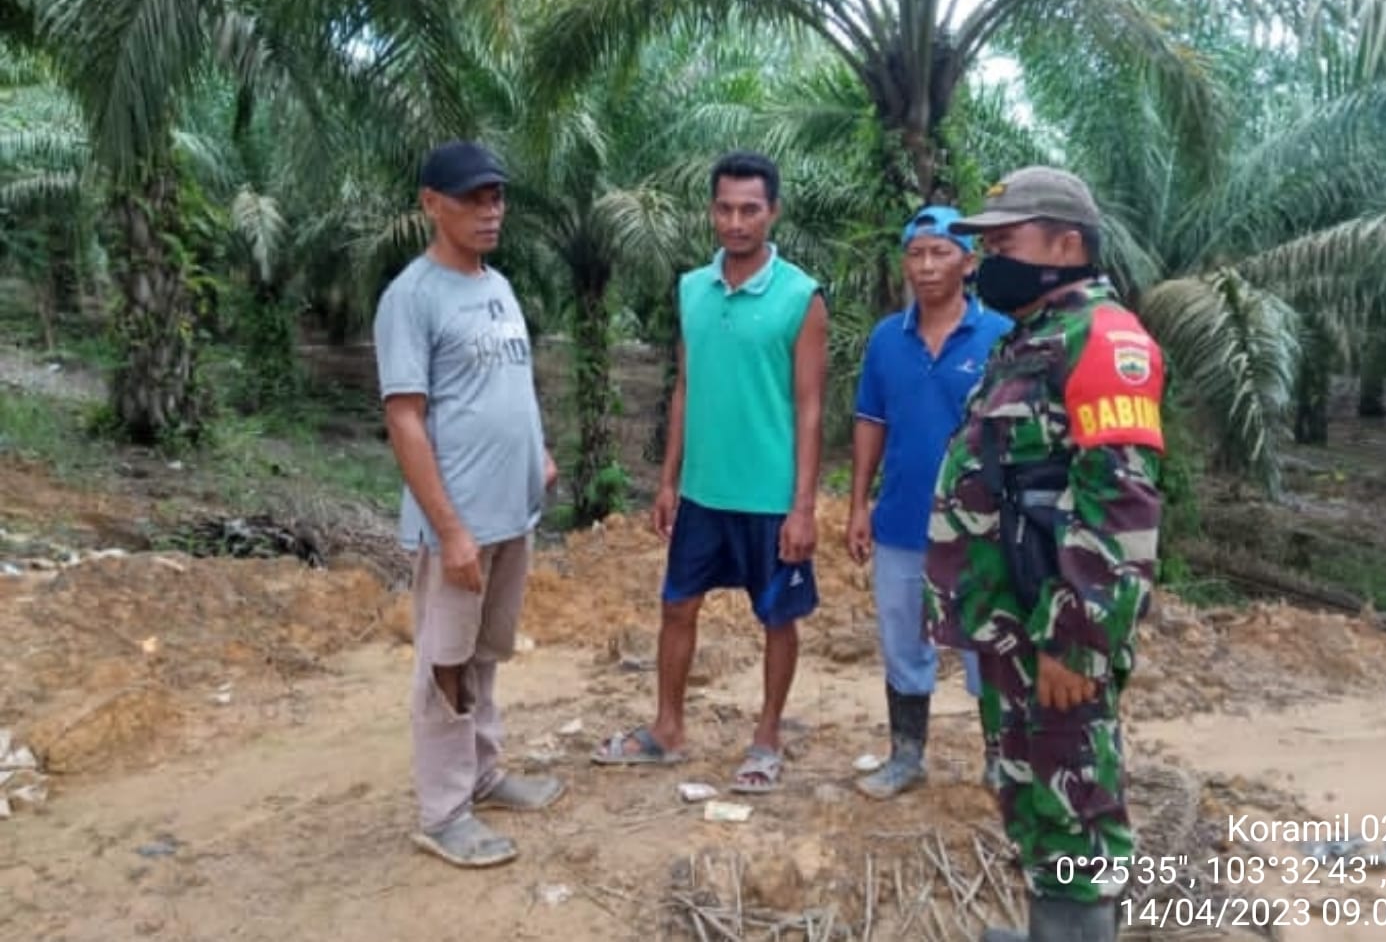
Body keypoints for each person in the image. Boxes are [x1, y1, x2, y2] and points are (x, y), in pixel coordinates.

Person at [922, 167, 1165, 942]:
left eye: (1003, 240)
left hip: (1055, 631)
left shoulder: (1103, 338)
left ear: (1066, 244)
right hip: (1014, 624)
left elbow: (1120, 506)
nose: (985, 257)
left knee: (1073, 803)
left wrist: (1075, 639)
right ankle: (1048, 931)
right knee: (1029, 783)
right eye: (983, 242)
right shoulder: (1033, 335)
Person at [592, 150, 827, 794]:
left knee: (777, 617)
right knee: (677, 607)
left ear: (773, 211)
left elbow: (810, 407)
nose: (736, 221)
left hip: (770, 496)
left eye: (750, 208)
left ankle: (767, 735)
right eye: (724, 208)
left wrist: (803, 506)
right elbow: (684, 388)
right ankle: (668, 728)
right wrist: (668, 479)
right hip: (702, 492)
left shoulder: (800, 298)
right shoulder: (692, 288)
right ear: (711, 211)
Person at [373, 140, 564, 868]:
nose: (490, 211)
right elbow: (405, 418)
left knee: (483, 654)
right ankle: (442, 810)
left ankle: (482, 772)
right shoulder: (411, 297)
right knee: (445, 663)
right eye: (472, 199)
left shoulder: (497, 285)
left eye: (496, 197)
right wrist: (449, 531)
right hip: (457, 521)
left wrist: (537, 453)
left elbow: (511, 384)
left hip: (511, 511)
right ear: (430, 203)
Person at [846, 206, 1013, 800]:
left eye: (940, 252)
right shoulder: (887, 339)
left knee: (987, 642)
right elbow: (871, 421)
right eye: (916, 253)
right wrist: (858, 504)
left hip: (980, 527)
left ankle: (1000, 759)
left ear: (968, 263)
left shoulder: (999, 337)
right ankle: (906, 756)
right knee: (902, 640)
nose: (926, 264)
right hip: (901, 522)